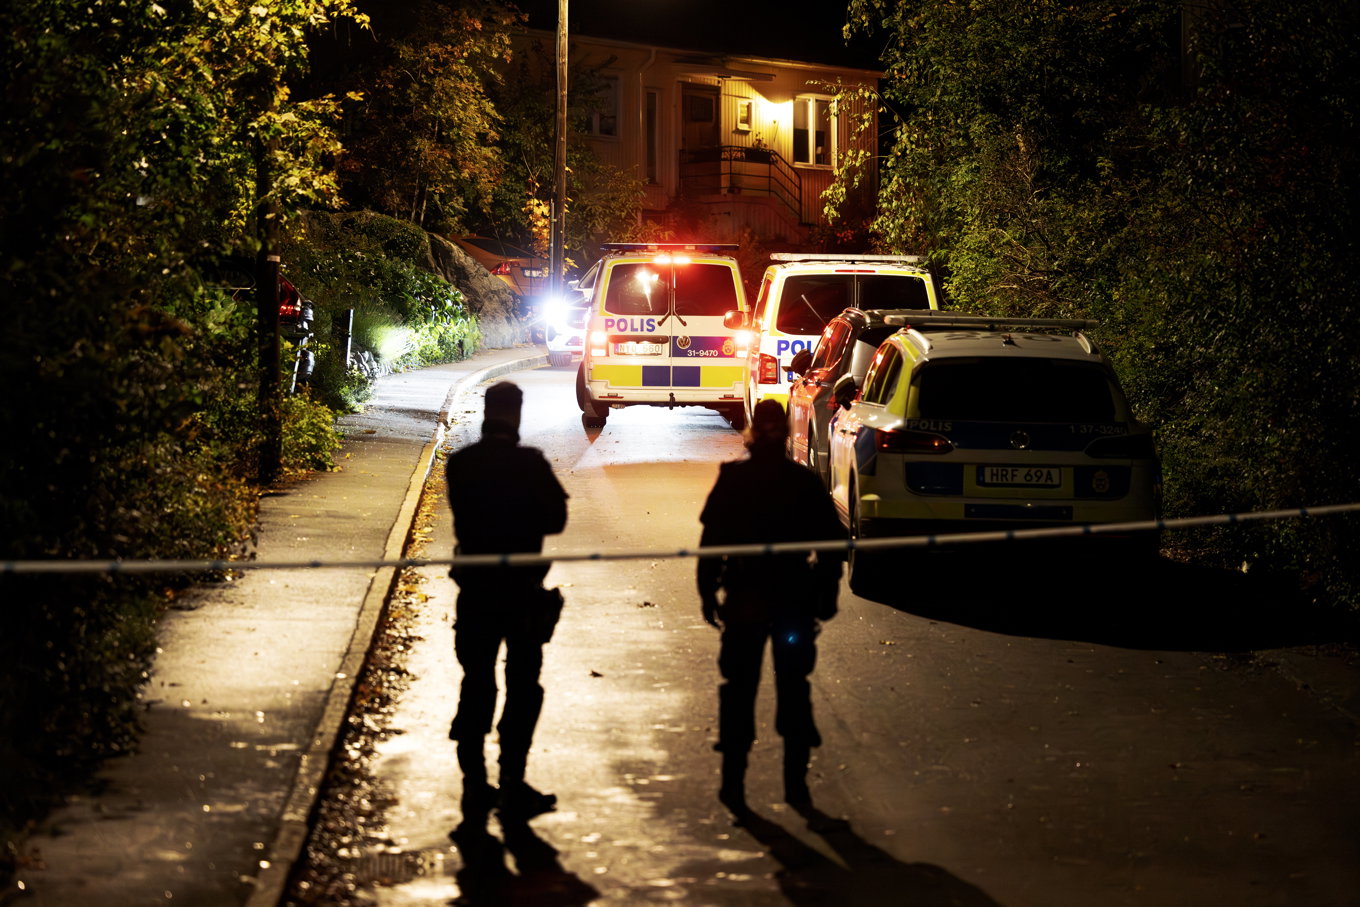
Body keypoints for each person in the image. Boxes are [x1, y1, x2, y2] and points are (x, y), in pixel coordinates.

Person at [696, 398, 845, 815]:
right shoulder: (803, 482)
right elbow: (832, 547)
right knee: (794, 689)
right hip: (794, 601)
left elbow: (712, 545)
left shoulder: (734, 479)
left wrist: (708, 593)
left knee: (739, 691)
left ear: (751, 431)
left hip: (746, 599)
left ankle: (734, 786)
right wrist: (826, 594)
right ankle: (796, 789)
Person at [446, 381, 569, 821]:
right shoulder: (530, 464)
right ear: (516, 415)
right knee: (522, 687)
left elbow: (464, 513)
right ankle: (512, 783)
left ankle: (475, 786)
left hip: (476, 592)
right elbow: (556, 519)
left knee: (476, 682)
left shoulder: (461, 464)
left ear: (486, 412)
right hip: (520, 595)